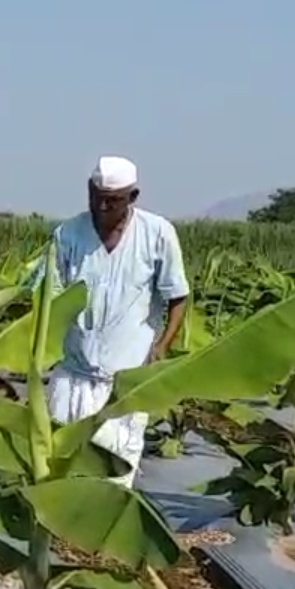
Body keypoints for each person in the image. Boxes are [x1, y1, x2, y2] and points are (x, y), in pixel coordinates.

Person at [38, 155, 190, 488]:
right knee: (60, 465)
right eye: (96, 197)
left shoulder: (158, 234)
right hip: (73, 372)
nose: (103, 206)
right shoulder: (68, 234)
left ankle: (97, 540)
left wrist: (162, 345)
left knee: (114, 472)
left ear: (132, 197)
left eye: (113, 200)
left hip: (124, 379)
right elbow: (44, 290)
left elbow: (177, 296)